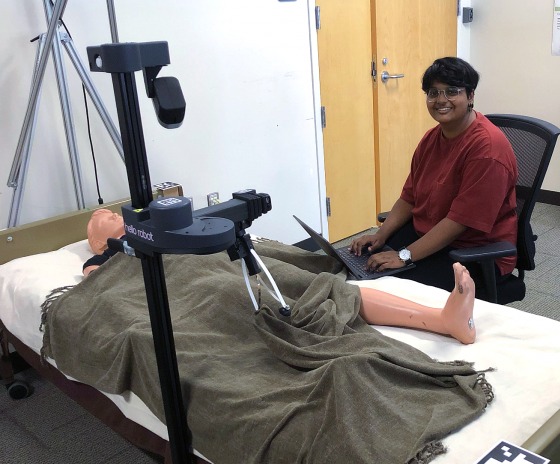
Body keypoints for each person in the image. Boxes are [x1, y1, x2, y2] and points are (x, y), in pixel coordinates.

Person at [83, 209, 477, 344]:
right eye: (111, 221)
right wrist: (112, 258)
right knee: (252, 299)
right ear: (100, 242)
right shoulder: (109, 259)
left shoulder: (163, 234)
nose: (121, 218)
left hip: (223, 262)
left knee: (319, 287)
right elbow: (98, 283)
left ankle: (442, 319)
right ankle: (440, 321)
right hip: (205, 281)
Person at [349, 57, 518, 297]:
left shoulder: (487, 150)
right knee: (359, 262)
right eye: (433, 92)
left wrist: (403, 256)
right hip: (431, 236)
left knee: (385, 289)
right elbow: (409, 198)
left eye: (452, 92)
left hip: (474, 253)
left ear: (470, 96)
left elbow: (459, 223)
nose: (441, 100)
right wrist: (381, 235)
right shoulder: (432, 138)